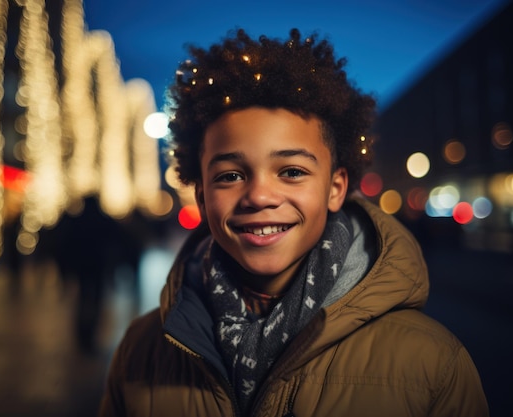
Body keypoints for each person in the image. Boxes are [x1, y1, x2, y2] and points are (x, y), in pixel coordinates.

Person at [99, 29, 488, 416]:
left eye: (291, 171)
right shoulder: (141, 349)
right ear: (202, 196)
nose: (260, 196)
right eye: (230, 175)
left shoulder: (432, 364)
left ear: (335, 188)